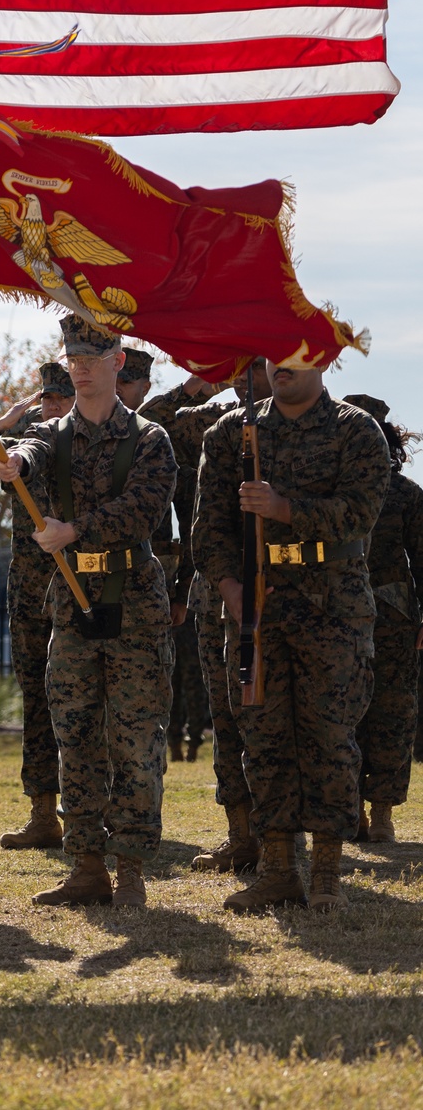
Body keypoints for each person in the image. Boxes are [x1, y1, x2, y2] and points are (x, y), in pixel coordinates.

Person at [193, 360, 391, 912]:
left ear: (324, 359)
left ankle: (326, 874)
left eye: (295, 354)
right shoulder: (233, 433)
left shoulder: (355, 429)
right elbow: (207, 528)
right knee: (265, 738)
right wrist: (232, 590)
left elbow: (359, 512)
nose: (280, 366)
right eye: (272, 355)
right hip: (260, 607)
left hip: (334, 605)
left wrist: (284, 509)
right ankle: (278, 868)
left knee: (330, 738)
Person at [0, 316, 177, 909]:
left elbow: (143, 510)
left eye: (92, 357)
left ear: (117, 361)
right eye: (72, 356)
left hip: (134, 605)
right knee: (75, 737)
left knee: (134, 739)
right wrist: (14, 462)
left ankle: (130, 869)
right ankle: (86, 866)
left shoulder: (149, 440)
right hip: (70, 606)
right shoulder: (53, 438)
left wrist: (76, 529)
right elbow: (30, 449)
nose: (80, 366)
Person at [163, 360, 273, 874]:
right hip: (216, 592)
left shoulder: (302, 420)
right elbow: (151, 417)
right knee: (227, 717)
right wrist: (197, 380)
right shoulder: (215, 419)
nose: (242, 371)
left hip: (282, 592)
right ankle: (241, 834)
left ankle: (281, 838)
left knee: (272, 719)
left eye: (255, 362)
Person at [0, 360, 74, 850]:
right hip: (30, 587)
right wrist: (4, 425)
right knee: (37, 700)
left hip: (81, 583)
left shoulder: (93, 442)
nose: (53, 408)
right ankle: (42, 813)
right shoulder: (28, 446)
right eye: (47, 400)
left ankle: (93, 813)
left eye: (60, 399)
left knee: (88, 701)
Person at [343, 395, 423, 844]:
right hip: (340, 612)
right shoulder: (331, 492)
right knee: (346, 714)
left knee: (390, 713)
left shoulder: (406, 493)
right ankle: (353, 811)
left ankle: (383, 814)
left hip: (390, 616)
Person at [127, 350, 209, 764]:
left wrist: (182, 592)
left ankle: (170, 750)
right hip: (95, 578)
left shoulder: (165, 434)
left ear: (144, 386)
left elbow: (193, 522)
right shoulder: (78, 433)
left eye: (128, 385)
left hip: (154, 581)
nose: (121, 394)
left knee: (159, 680)